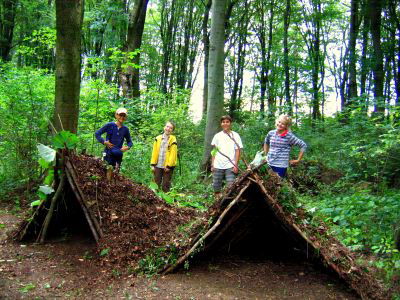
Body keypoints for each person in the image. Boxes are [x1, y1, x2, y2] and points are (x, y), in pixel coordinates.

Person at [211, 115, 243, 198]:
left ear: (230, 123)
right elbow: (214, 151)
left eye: (227, 122)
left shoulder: (235, 135)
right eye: (223, 122)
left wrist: (236, 164)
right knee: (216, 187)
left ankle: (228, 204)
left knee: (231, 187)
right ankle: (217, 205)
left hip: (230, 165)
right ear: (221, 124)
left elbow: (238, 150)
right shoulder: (217, 136)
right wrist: (212, 164)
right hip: (218, 165)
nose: (225, 124)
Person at [150, 121, 178, 192]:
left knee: (165, 185)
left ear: (172, 130)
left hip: (167, 167)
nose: (168, 129)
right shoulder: (158, 138)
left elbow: (173, 154)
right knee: (156, 184)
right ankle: (155, 199)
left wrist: (169, 166)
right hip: (158, 165)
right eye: (167, 126)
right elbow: (154, 152)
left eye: (170, 128)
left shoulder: (173, 140)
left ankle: (165, 201)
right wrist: (153, 164)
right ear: (164, 127)